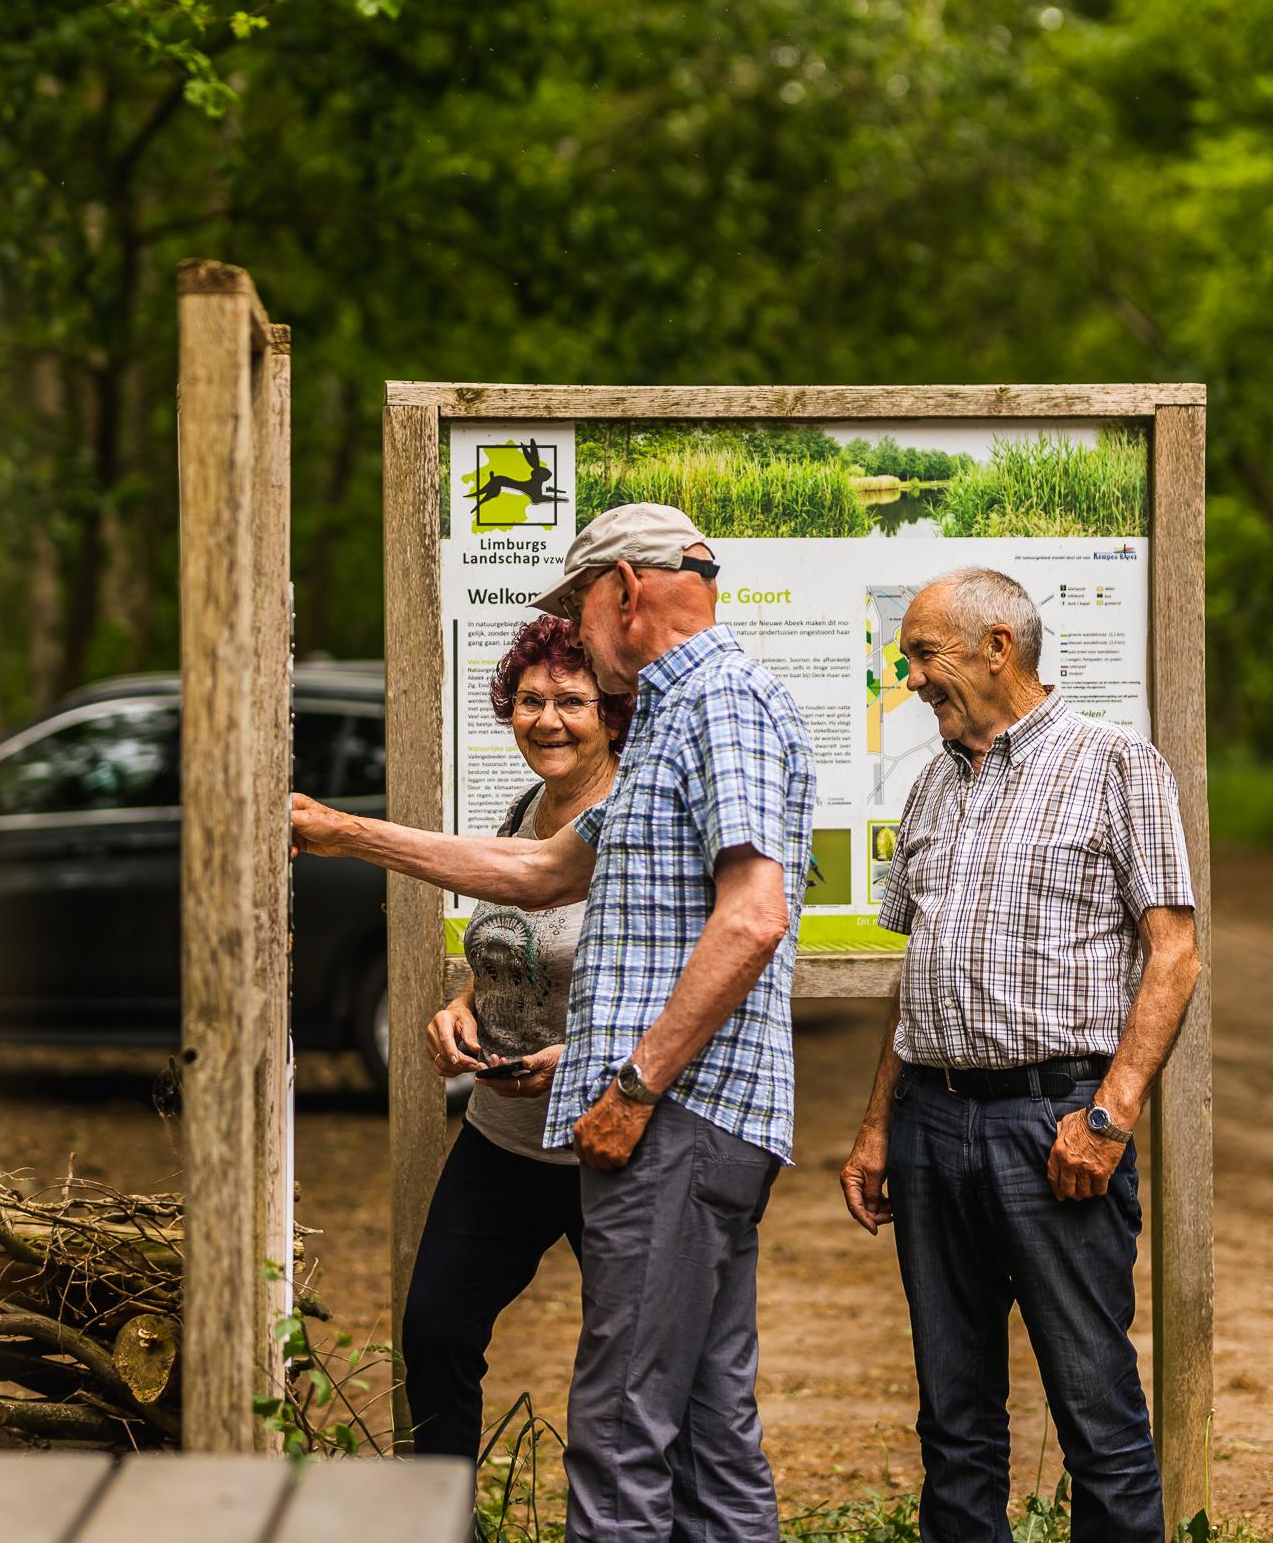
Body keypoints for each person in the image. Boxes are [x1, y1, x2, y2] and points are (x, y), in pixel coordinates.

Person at [292, 501, 815, 1543]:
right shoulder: (674, 717)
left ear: (622, 590)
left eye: (574, 613)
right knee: (708, 1433)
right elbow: (539, 871)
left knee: (619, 1434)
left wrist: (629, 1085)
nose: (570, 637)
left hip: (674, 1124)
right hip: (671, 1123)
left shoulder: (721, 703)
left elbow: (753, 919)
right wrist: (339, 830)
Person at [839, 567, 1201, 1543]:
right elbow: (914, 966)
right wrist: (877, 1126)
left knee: (1094, 1417)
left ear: (996, 647)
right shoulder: (928, 785)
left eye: (923, 655)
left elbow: (1173, 955)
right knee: (952, 1427)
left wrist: (1110, 1115)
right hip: (928, 1125)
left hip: (1054, 1130)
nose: (909, 677)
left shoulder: (1115, 764)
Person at [402, 614, 632, 1466]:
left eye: (571, 700)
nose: (547, 719)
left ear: (611, 712)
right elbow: (511, 946)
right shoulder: (523, 809)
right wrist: (460, 1007)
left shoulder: (632, 821)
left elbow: (684, 978)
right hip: (501, 1143)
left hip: (607, 1146)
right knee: (435, 1334)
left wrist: (588, 1058)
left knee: (628, 1374)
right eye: (529, 700)